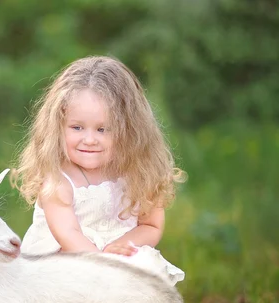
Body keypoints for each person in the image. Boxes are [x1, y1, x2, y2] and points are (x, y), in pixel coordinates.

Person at [13, 56, 186, 285]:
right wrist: (104, 266)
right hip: (67, 262)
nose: (89, 139)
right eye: (77, 127)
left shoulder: (139, 173)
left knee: (145, 269)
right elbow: (69, 236)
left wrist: (125, 246)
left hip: (114, 258)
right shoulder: (58, 182)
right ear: (58, 127)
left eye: (103, 129)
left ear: (130, 130)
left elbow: (151, 225)